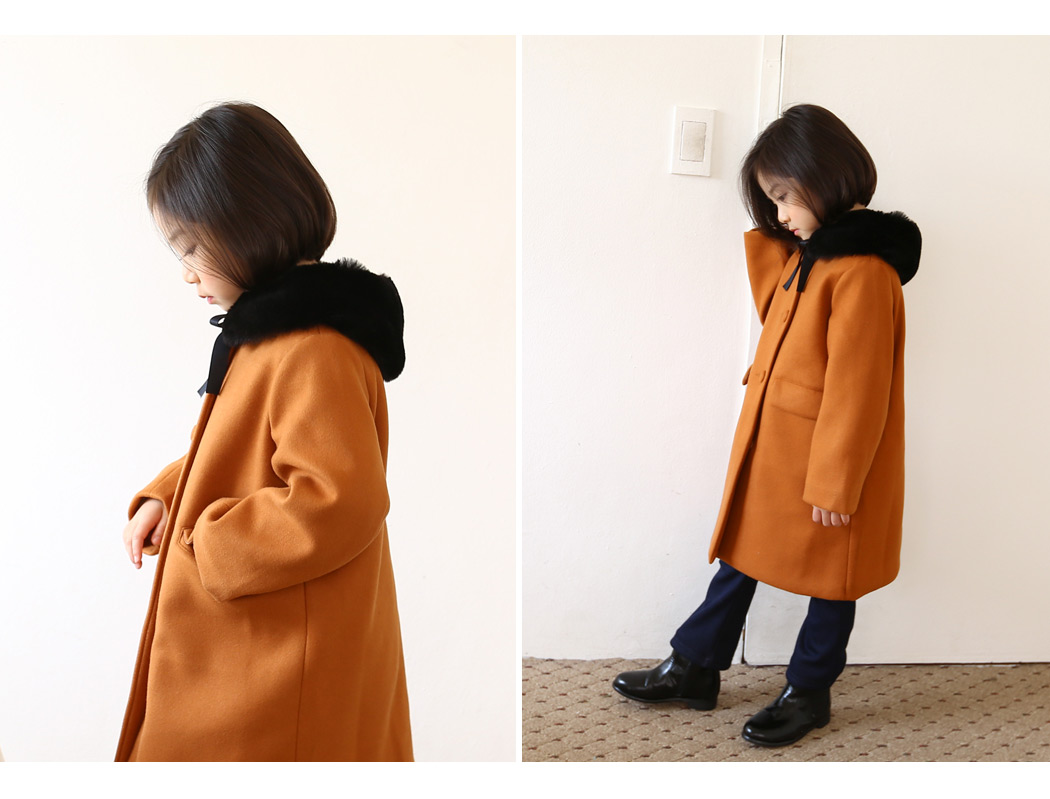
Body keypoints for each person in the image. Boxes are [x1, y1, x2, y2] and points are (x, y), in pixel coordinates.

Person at [613, 104, 921, 747]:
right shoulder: (814, 258)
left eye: (784, 195)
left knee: (834, 578)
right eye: (771, 199)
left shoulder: (863, 270)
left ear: (824, 175)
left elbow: (860, 389)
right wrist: (784, 234)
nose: (778, 212)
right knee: (742, 554)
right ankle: (695, 665)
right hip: (777, 448)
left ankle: (809, 691)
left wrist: (836, 482)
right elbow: (778, 320)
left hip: (826, 460)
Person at [117, 102, 413, 761]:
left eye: (191, 247)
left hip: (278, 666)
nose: (187, 272)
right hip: (260, 646)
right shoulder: (272, 334)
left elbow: (339, 498)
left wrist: (208, 542)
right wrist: (171, 493)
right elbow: (241, 449)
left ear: (246, 222)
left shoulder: (313, 345)